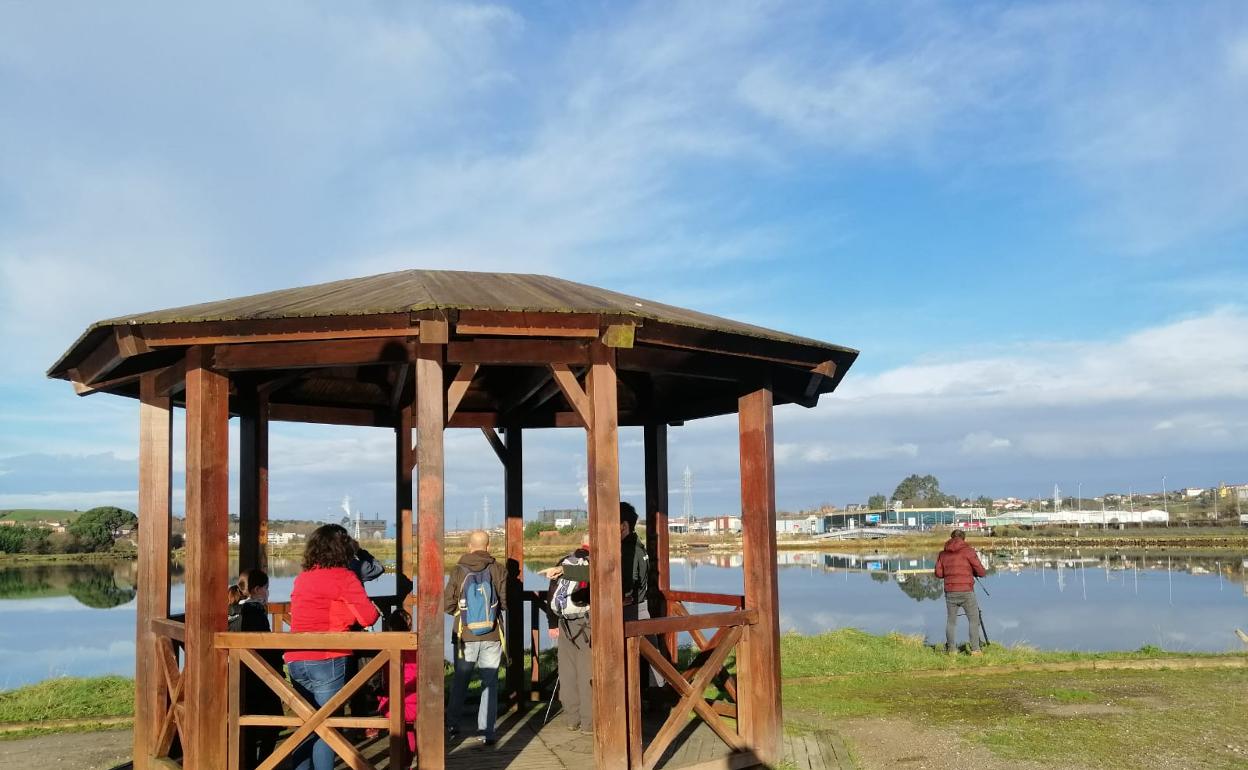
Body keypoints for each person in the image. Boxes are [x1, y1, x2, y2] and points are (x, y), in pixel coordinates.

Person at [285, 524, 381, 770]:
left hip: (295, 658)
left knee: (306, 724)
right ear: (343, 548)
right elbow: (369, 617)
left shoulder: (303, 577)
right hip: (328, 657)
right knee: (327, 726)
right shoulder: (344, 576)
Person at [443, 529, 507, 746]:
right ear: (488, 547)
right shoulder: (498, 569)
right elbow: (506, 603)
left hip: (465, 634)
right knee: (489, 683)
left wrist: (460, 613)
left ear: (469, 546)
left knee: (461, 680)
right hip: (492, 634)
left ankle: (453, 724)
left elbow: (447, 604)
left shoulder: (458, 570)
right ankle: (487, 732)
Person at [228, 569, 283, 770]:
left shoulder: (232, 609)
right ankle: (263, 764)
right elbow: (264, 646)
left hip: (238, 676)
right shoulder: (255, 612)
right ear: (258, 589)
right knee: (274, 723)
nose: (268, 593)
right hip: (259, 678)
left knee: (248, 727)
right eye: (267, 588)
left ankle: (248, 764)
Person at [540, 536, 592, 735]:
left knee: (567, 672)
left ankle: (572, 718)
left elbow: (551, 593)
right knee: (587, 673)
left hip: (563, 623)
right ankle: (588, 723)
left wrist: (552, 623)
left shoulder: (565, 560)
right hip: (587, 624)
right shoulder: (594, 561)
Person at [373, 608, 419, 768]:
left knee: (403, 730)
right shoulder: (416, 648)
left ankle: (401, 762)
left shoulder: (386, 650)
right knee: (411, 730)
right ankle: (408, 760)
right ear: (409, 625)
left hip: (392, 706)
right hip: (416, 705)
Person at [934, 529, 987, 655]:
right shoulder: (968, 551)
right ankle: (975, 650)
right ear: (963, 539)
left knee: (951, 621)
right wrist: (972, 572)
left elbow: (939, 573)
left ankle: (952, 650)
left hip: (950, 592)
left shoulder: (943, 554)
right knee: (974, 620)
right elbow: (981, 571)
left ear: (951, 538)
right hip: (967, 591)